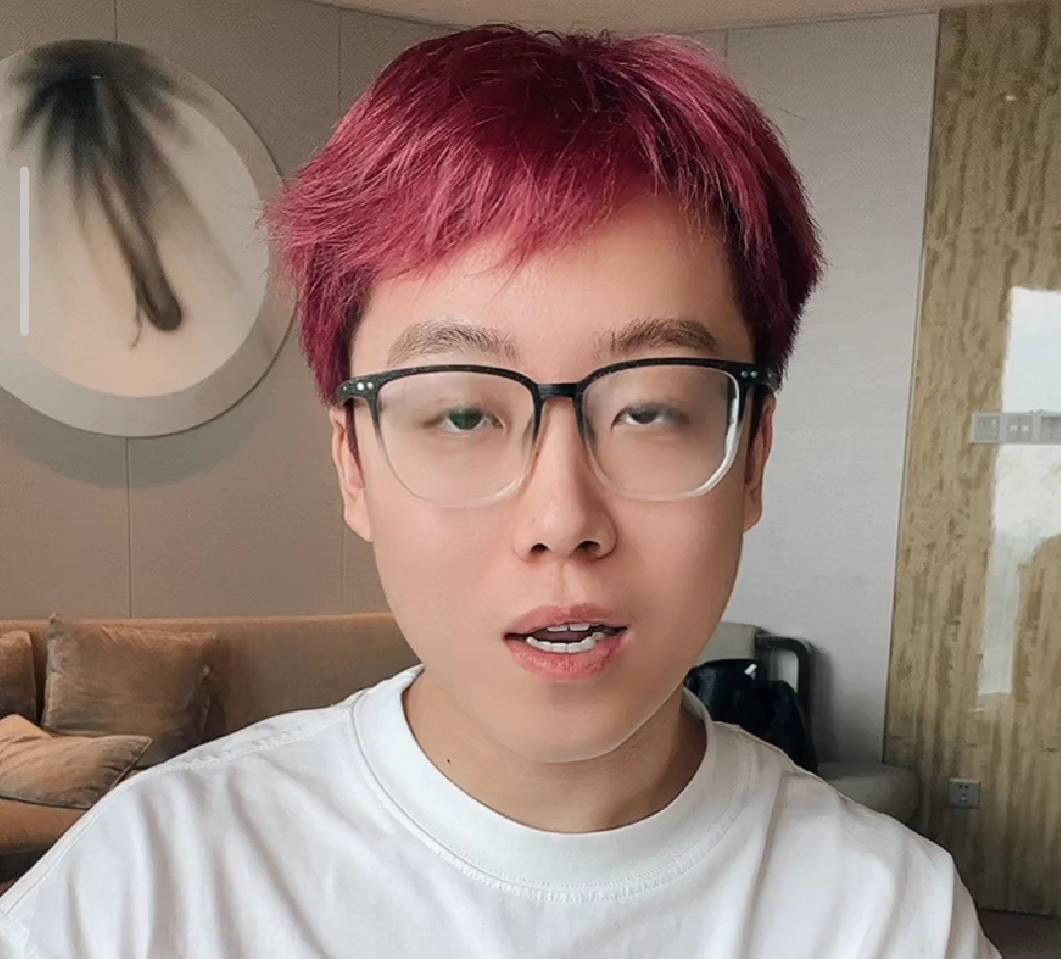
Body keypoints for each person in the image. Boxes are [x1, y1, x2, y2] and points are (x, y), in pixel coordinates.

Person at [0, 23, 1000, 958]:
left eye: (650, 410)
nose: (562, 520)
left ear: (753, 456)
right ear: (353, 463)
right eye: (464, 415)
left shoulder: (884, 916)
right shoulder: (150, 886)